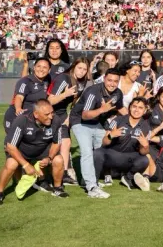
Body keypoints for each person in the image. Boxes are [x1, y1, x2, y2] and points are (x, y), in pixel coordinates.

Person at [0, 100, 67, 205]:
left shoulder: (56, 120)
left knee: (58, 160)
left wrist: (49, 158)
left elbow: (56, 143)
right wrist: (26, 165)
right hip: (21, 150)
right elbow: (11, 146)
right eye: (47, 114)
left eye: (52, 112)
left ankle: (58, 188)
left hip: (43, 149)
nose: (51, 116)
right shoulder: (22, 120)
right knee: (11, 164)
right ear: (36, 114)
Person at [69, 68, 126, 199]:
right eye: (109, 80)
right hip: (80, 122)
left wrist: (136, 118)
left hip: (97, 123)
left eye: (115, 81)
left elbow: (120, 108)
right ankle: (92, 188)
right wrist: (102, 109)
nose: (112, 83)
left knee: (104, 148)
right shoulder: (93, 91)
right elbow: (85, 114)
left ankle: (89, 180)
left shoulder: (118, 93)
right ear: (104, 79)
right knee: (87, 151)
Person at [47, 57, 91, 185]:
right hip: (50, 113)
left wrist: (69, 116)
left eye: (85, 69)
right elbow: (50, 100)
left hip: (62, 113)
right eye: (79, 68)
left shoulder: (81, 82)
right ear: (73, 67)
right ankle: (47, 173)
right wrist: (64, 95)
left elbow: (75, 103)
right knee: (56, 144)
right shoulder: (64, 78)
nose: (82, 71)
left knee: (66, 142)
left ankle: (64, 173)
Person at [94, 97, 152, 192]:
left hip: (129, 159)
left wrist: (145, 146)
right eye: (134, 106)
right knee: (98, 152)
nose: (136, 110)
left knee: (145, 159)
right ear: (129, 108)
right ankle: (93, 182)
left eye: (140, 108)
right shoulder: (117, 120)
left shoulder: (146, 126)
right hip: (113, 155)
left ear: (145, 110)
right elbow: (104, 142)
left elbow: (143, 152)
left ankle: (127, 178)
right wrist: (111, 136)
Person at [3, 58, 51, 132]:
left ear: (49, 70)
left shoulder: (48, 80)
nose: (41, 69)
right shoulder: (26, 81)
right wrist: (18, 108)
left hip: (32, 118)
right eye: (39, 66)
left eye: (45, 67)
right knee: (13, 142)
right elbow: (19, 97)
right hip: (16, 116)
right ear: (34, 67)